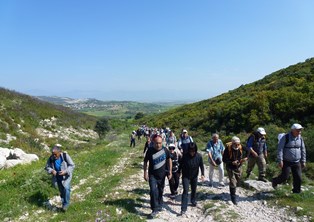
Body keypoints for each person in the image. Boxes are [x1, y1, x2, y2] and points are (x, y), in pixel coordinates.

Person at [272, 123, 306, 193]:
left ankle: (296, 192)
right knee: (285, 176)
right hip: (286, 161)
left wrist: (303, 160)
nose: (299, 132)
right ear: (293, 130)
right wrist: (280, 160)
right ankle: (275, 181)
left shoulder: (300, 138)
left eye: (300, 130)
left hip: (297, 161)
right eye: (298, 130)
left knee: (298, 177)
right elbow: (280, 149)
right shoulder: (286, 137)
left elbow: (303, 149)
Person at [143, 135, 172, 218]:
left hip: (162, 175)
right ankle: (154, 209)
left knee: (160, 191)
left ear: (162, 142)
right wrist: (145, 173)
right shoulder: (150, 150)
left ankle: (160, 204)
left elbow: (169, 159)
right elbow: (145, 161)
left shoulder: (165, 150)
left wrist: (170, 172)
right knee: (153, 191)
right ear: (153, 142)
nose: (158, 145)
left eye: (159, 143)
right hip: (152, 175)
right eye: (156, 143)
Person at [45, 144, 75, 211]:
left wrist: (66, 171)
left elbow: (72, 165)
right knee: (61, 191)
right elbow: (47, 167)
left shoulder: (65, 156)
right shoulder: (51, 158)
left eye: (55, 154)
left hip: (66, 176)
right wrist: (52, 170)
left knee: (66, 188)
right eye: (53, 154)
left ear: (60, 152)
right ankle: (64, 203)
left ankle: (66, 205)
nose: (54, 156)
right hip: (57, 177)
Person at [179, 142, 205, 216]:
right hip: (185, 176)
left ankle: (193, 201)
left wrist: (202, 174)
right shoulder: (185, 156)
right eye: (190, 151)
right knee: (186, 190)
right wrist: (178, 172)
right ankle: (183, 209)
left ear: (196, 150)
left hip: (194, 176)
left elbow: (201, 166)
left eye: (193, 151)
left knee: (194, 189)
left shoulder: (199, 156)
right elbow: (180, 165)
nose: (192, 153)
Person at [223, 136, 247, 205]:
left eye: (238, 144)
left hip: (238, 167)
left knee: (238, 180)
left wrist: (246, 158)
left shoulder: (240, 147)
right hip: (230, 167)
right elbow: (224, 159)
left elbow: (248, 150)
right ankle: (233, 197)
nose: (237, 145)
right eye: (236, 144)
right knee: (233, 182)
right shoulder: (228, 149)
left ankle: (233, 190)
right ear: (232, 143)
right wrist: (231, 162)